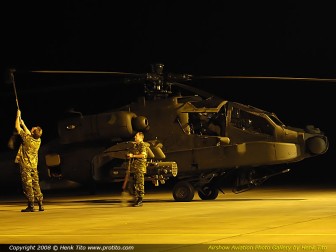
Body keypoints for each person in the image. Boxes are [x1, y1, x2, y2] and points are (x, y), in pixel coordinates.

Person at [14, 109, 44, 212]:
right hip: (34, 166)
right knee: (36, 184)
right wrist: (24, 124)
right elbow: (28, 133)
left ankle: (31, 205)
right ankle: (40, 204)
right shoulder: (38, 140)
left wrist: (18, 116)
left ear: (32, 132)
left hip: (26, 166)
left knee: (28, 185)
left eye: (33, 128)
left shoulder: (27, 139)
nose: (32, 127)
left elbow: (17, 128)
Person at [126, 132, 148, 207]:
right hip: (134, 168)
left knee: (139, 184)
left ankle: (140, 200)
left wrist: (133, 156)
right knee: (131, 185)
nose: (135, 137)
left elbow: (143, 155)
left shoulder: (142, 145)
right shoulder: (134, 145)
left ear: (141, 137)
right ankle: (135, 198)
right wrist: (129, 156)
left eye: (136, 136)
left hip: (140, 168)